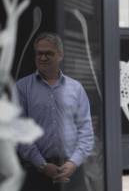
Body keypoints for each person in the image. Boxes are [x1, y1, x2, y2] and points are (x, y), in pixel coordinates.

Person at [16, 32, 94, 191]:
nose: (43, 58)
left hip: (73, 171)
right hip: (37, 173)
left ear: (60, 55)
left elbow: (86, 131)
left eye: (48, 53)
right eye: (39, 53)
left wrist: (73, 163)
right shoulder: (22, 88)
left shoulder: (76, 89)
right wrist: (42, 165)